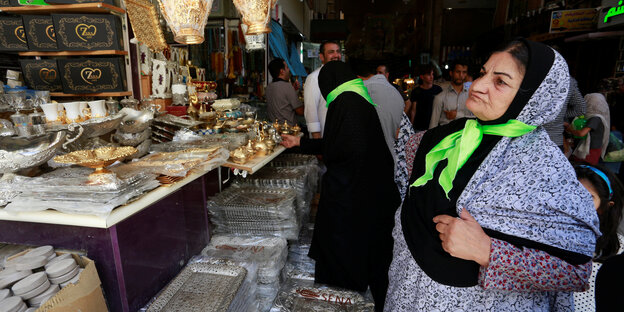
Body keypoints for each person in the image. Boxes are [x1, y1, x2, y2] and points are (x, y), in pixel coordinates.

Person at [385, 39, 600, 311]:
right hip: (407, 296)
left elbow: (575, 271)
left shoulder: (544, 167)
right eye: (484, 73)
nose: (478, 85)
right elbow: (413, 163)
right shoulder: (451, 135)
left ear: (534, 95)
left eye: (500, 82)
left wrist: (488, 252)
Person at [281, 61, 400, 311]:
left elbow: (346, 149)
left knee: (345, 256)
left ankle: (344, 302)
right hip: (366, 194)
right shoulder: (354, 97)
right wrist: (300, 143)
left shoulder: (347, 102)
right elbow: (337, 141)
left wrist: (329, 161)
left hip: (354, 199)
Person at [573, 164, 624, 312]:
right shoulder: (545, 238)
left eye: (588, 198)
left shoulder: (619, 248)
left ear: (605, 207)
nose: (576, 203)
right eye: (571, 193)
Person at [354, 61, 404, 163]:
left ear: (359, 78)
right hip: (394, 153)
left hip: (372, 153)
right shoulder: (395, 91)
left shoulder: (362, 89)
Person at [304, 41, 342, 138]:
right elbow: (311, 112)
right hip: (324, 138)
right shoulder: (314, 78)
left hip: (340, 137)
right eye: (331, 52)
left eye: (338, 51)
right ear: (321, 57)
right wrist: (317, 142)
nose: (336, 55)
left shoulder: (342, 77)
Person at [566, 93, 610, 165]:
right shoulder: (597, 117)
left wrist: (570, 129)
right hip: (592, 149)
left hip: (590, 150)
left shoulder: (595, 118)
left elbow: (581, 133)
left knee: (584, 168)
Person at [543, 77, 586, 151]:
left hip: (525, 141)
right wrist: (558, 114)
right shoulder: (567, 80)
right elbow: (581, 109)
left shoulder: (526, 74)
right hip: (555, 140)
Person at [429, 60, 472, 128]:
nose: (461, 75)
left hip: (466, 135)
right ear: (451, 73)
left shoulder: (471, 96)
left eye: (464, 72)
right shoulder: (440, 97)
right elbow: (433, 124)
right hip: (446, 136)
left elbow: (475, 119)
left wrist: (457, 115)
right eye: (458, 72)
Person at [266, 58, 304, 126]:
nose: (289, 70)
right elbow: (300, 111)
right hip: (288, 130)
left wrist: (294, 90)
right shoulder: (287, 86)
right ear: (282, 71)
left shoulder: (269, 87)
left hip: (275, 128)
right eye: (287, 67)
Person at [410, 64, 443, 131]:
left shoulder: (438, 89)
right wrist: (411, 125)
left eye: (432, 74)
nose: (431, 77)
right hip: (419, 125)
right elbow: (413, 110)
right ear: (422, 77)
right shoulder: (416, 91)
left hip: (434, 124)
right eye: (429, 75)